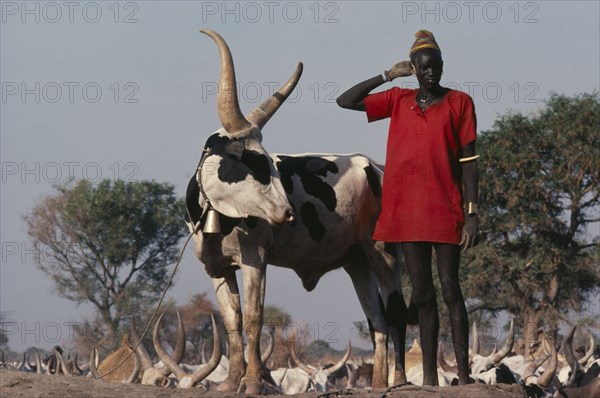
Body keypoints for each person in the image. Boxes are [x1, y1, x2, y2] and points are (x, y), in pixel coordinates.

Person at [336, 30, 479, 385]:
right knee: (424, 294)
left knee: (451, 290)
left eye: (436, 67)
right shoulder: (398, 100)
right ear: (414, 68)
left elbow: (470, 161)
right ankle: (430, 380)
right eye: (424, 68)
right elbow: (345, 101)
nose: (431, 73)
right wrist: (386, 75)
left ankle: (463, 376)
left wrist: (473, 213)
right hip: (406, 213)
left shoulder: (460, 102)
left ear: (443, 66)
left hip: (447, 210)